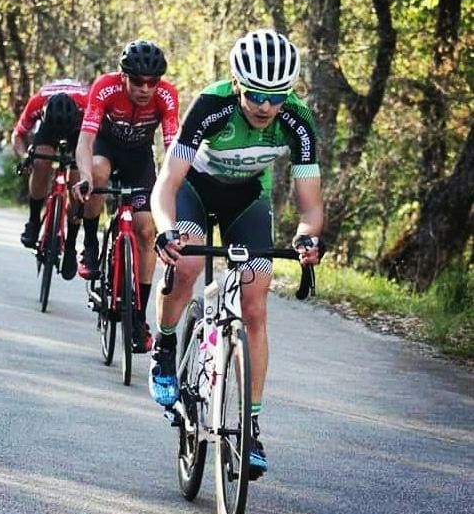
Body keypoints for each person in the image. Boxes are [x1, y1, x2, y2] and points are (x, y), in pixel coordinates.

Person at [149, 29, 324, 477]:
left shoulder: (298, 121)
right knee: (186, 262)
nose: (266, 106)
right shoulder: (211, 105)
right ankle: (165, 347)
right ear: (237, 84)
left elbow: (310, 207)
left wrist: (307, 238)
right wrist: (167, 231)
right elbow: (167, 184)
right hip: (194, 190)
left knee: (255, 302)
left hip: (247, 198)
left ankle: (249, 425)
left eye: (276, 95)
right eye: (256, 95)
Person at [72, 40, 180, 353]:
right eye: (137, 82)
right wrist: (86, 178)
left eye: (152, 82)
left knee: (146, 229)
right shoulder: (105, 88)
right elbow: (85, 140)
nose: (145, 89)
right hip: (105, 151)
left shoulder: (166, 95)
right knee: (98, 174)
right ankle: (90, 245)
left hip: (139, 159)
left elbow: (173, 146)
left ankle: (138, 318)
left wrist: (175, 187)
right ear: (123, 77)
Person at [12, 78, 90, 280]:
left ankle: (71, 246)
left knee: (77, 183)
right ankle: (33, 220)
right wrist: (24, 158)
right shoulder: (37, 102)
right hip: (49, 126)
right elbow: (18, 136)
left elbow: (95, 140)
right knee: (40, 162)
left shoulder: (88, 104)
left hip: (78, 128)